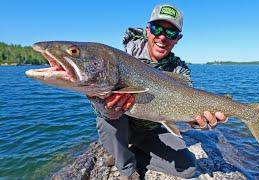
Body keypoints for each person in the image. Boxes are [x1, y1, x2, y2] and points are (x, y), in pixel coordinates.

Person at [89, 4, 227, 180]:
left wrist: (197, 122)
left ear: (178, 38)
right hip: (123, 125)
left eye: (171, 33)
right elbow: (101, 105)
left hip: (152, 130)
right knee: (105, 121)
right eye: (157, 29)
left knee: (188, 168)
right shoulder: (125, 58)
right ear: (148, 30)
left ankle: (126, 153)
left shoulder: (180, 71)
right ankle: (126, 168)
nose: (162, 37)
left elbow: (188, 109)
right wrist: (104, 106)